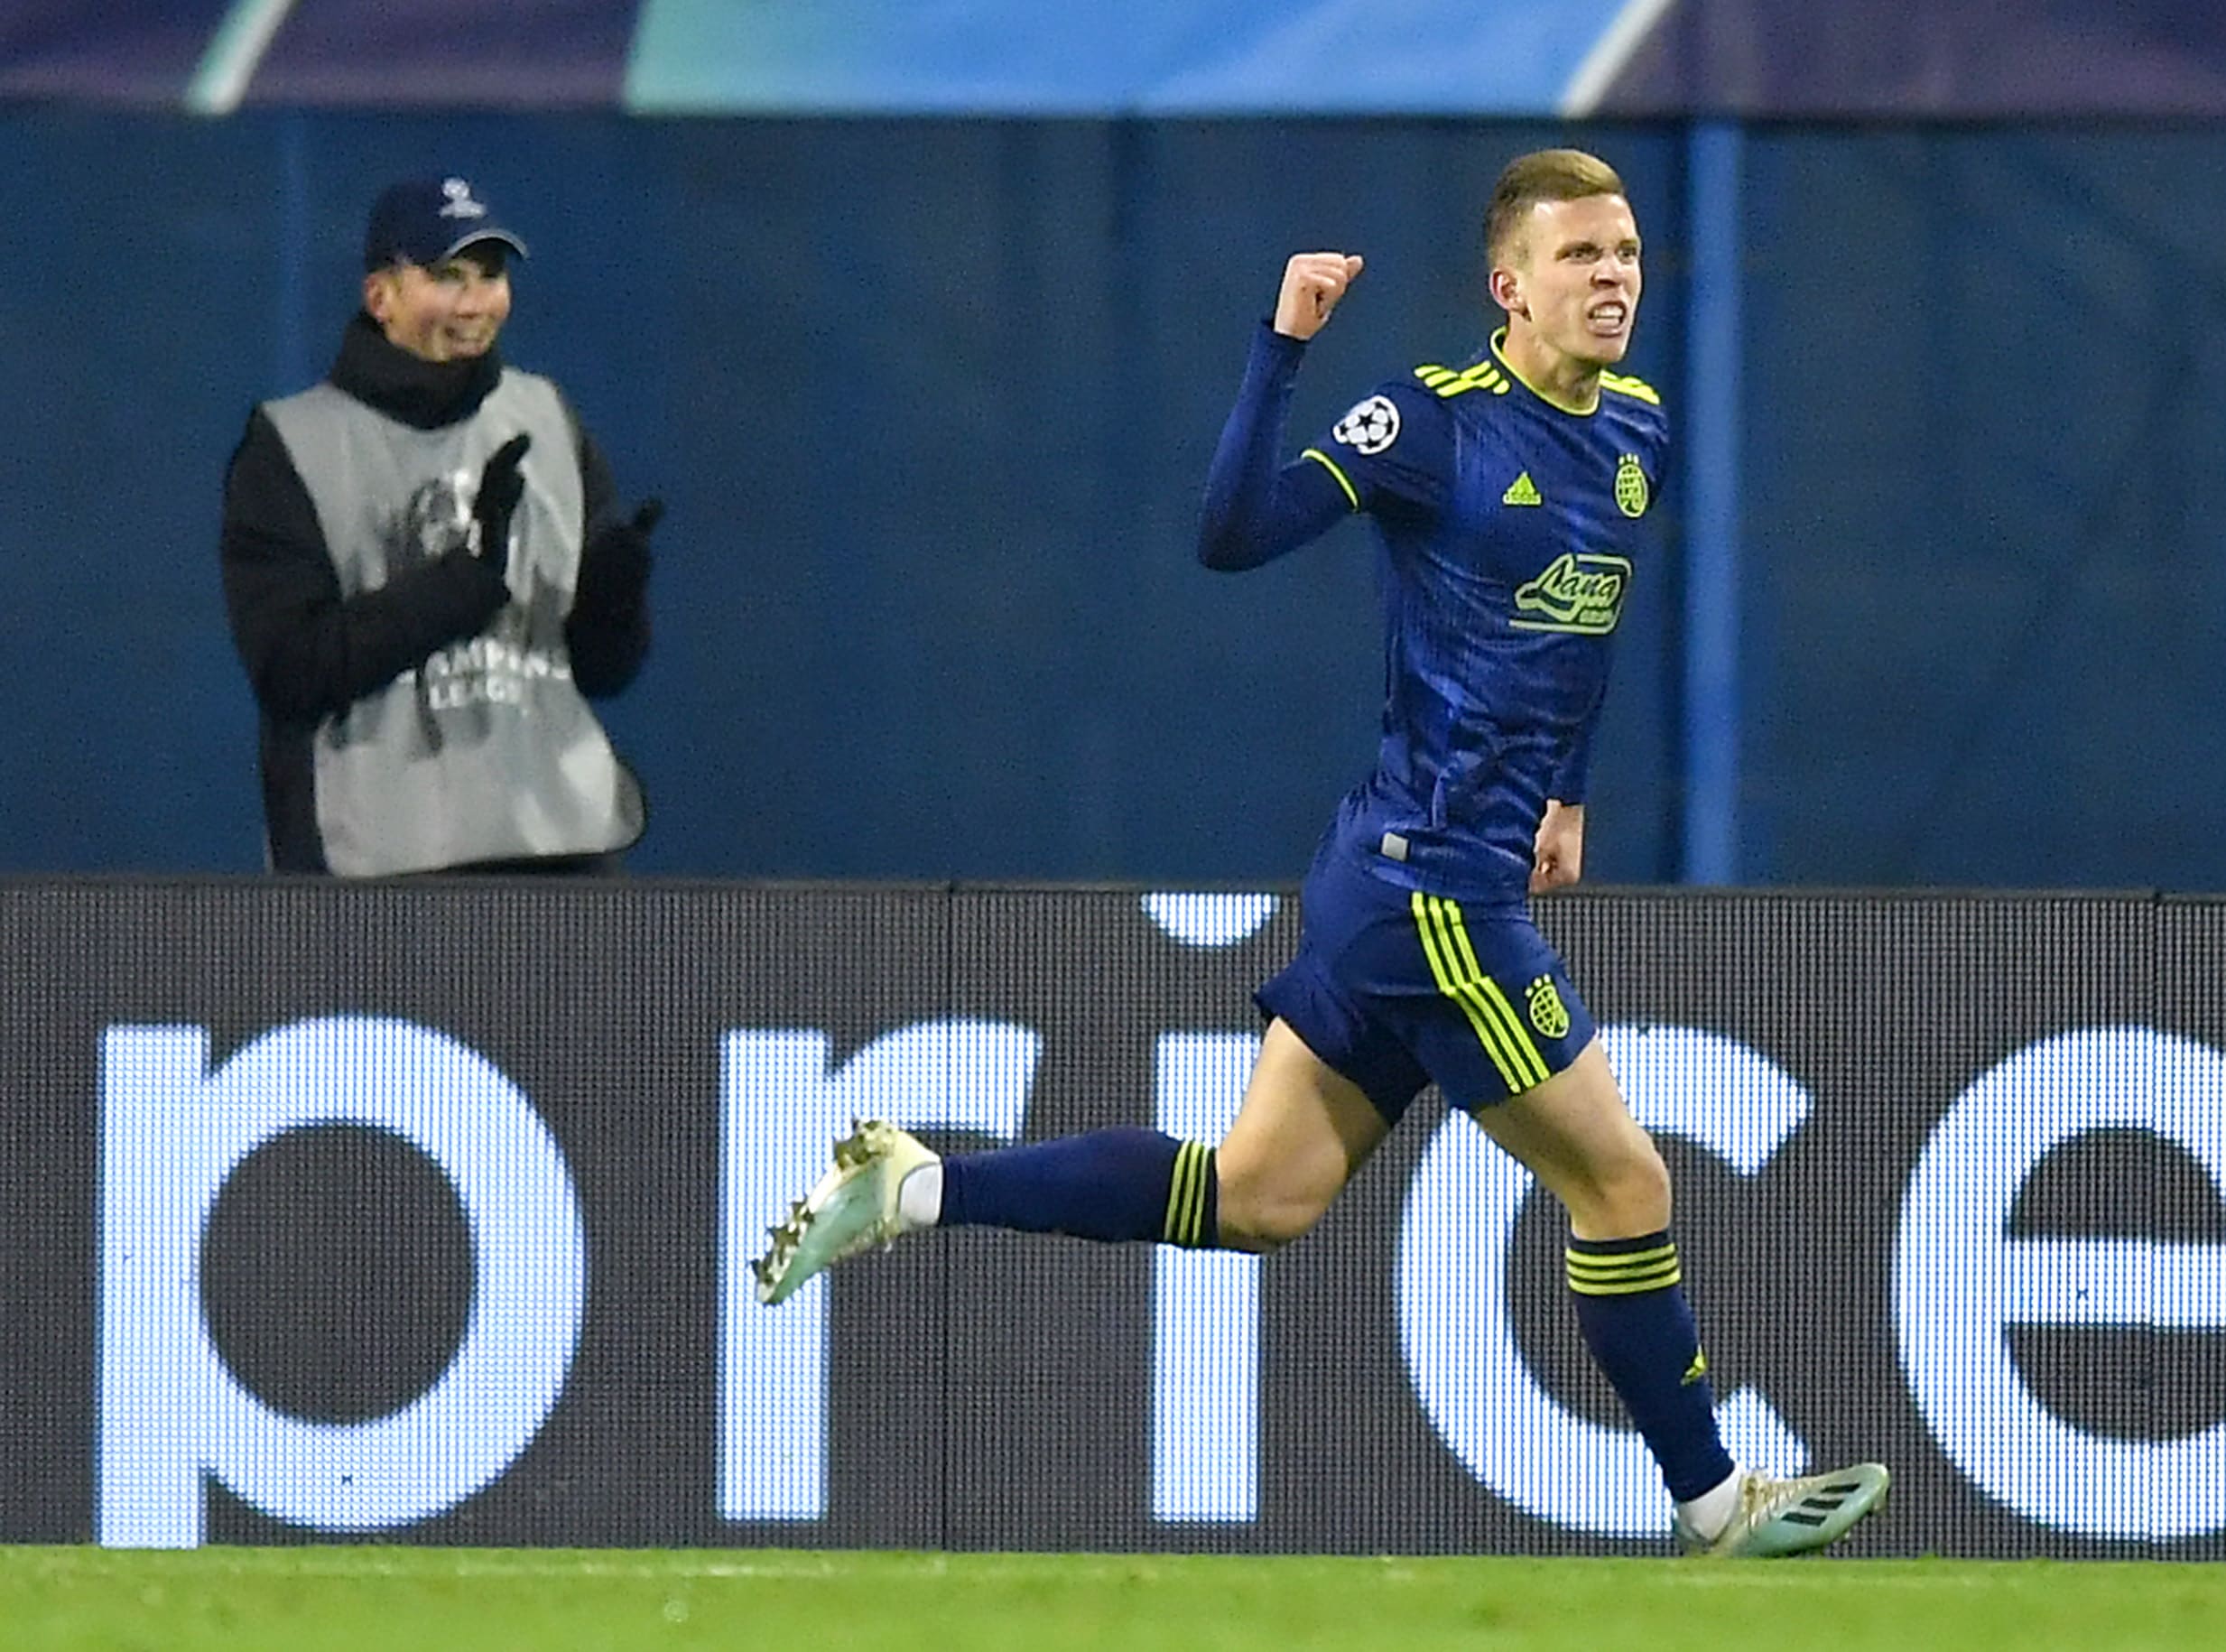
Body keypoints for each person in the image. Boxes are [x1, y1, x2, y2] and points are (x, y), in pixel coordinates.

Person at [751, 149, 1890, 1558]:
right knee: (1626, 1184)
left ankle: (915, 1184)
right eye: (1581, 255)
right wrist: (1282, 343)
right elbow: (1230, 533)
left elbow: (1581, 633)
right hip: (1430, 889)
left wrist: (1571, 794)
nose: (1613, 277)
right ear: (1509, 286)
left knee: (1257, 1196)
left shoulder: (1641, 429)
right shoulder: (1431, 419)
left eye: (1629, 253)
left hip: (1407, 872)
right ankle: (1718, 1505)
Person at [219, 173, 660, 876]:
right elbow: (292, 672)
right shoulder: (291, 445)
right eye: (447, 276)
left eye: (489, 275)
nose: (476, 302)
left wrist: (614, 605)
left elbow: (601, 672)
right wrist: (462, 585)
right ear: (381, 297)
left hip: (556, 852)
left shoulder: (546, 417)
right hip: (379, 864)